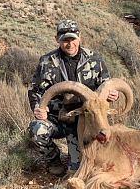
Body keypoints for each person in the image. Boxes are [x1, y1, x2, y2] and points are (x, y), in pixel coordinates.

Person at [28, 19, 119, 176]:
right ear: (57, 39)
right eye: (65, 40)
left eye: (73, 39)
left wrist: (113, 94)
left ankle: (91, 159)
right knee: (37, 130)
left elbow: (106, 85)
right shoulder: (47, 62)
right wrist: (38, 108)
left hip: (85, 119)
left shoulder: (94, 59)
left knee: (75, 170)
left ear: (79, 37)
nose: (70, 44)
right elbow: (35, 90)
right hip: (57, 118)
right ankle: (54, 160)